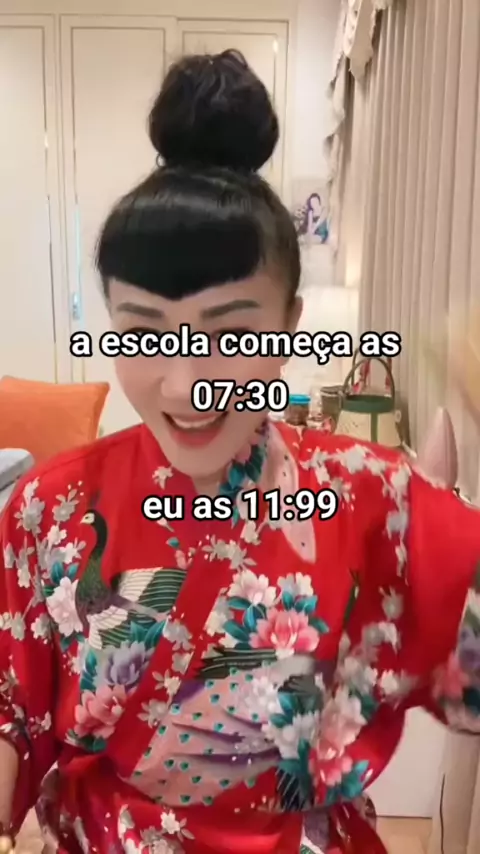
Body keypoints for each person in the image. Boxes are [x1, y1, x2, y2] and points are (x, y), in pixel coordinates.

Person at [0, 49, 479, 854]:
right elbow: (9, 705)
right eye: (144, 331)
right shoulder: (48, 508)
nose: (186, 383)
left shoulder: (376, 496)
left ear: (289, 324)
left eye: (230, 334)